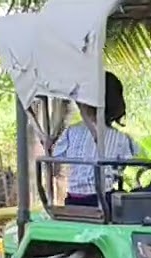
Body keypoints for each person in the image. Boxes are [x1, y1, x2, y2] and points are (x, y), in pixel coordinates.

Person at [51, 71, 140, 207]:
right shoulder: (121, 139)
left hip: (73, 201)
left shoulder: (71, 132)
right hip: (103, 202)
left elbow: (55, 159)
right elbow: (125, 165)